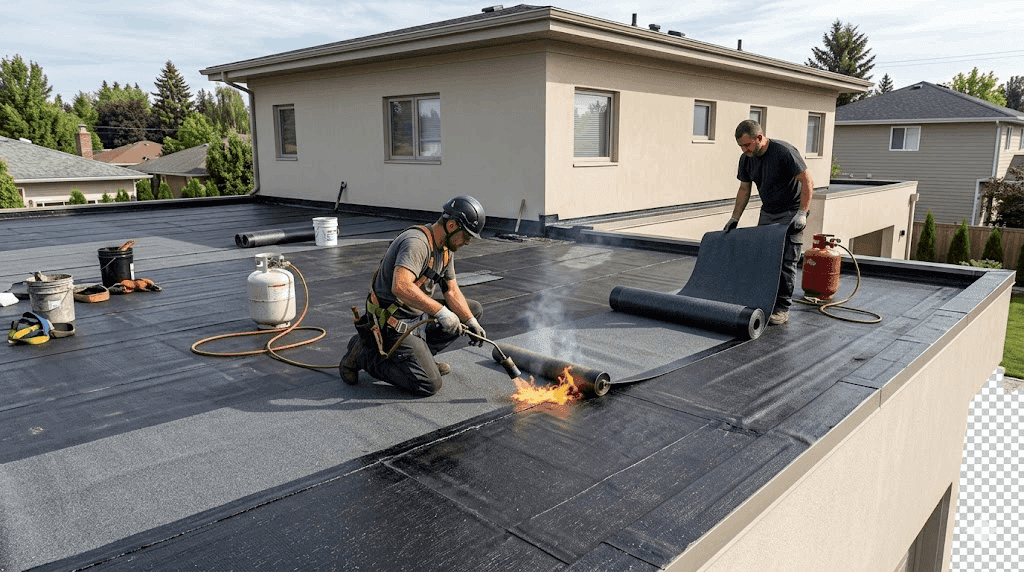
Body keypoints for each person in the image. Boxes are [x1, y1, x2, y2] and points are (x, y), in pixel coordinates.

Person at [339, 195, 488, 396]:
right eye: (467, 236)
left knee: (473, 310)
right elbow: (400, 286)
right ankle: (364, 354)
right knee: (429, 384)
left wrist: (470, 321)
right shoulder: (417, 243)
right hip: (393, 321)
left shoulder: (445, 248)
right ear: (452, 225)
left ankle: (421, 356)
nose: (467, 242)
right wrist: (441, 312)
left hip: (418, 316)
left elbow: (451, 290)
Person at [723, 120, 814, 325]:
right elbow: (744, 190)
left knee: (786, 260)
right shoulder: (746, 159)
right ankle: (764, 301)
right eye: (740, 146)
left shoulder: (784, 152)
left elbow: (807, 180)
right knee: (764, 257)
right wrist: (734, 218)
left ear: (760, 138)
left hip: (791, 211)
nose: (744, 149)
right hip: (769, 211)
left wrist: (802, 213)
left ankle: (782, 308)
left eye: (747, 145)